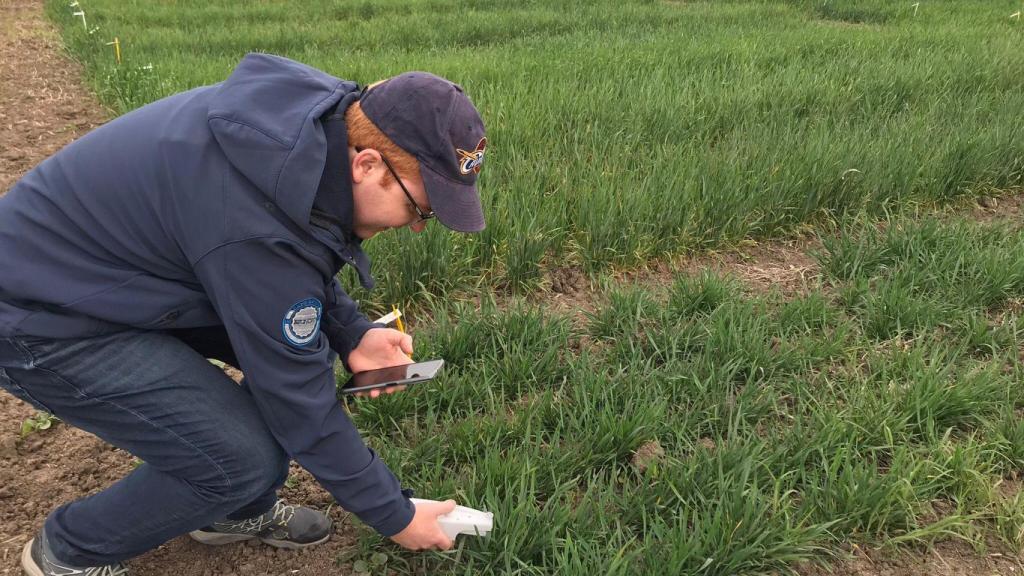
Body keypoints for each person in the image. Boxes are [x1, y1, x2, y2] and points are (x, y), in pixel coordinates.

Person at [0, 52, 488, 575]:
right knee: (243, 460)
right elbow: (300, 401)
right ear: (367, 165)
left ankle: (230, 510)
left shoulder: (316, 129)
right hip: (42, 316)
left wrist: (350, 333)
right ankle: (69, 552)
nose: (418, 226)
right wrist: (395, 514)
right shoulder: (251, 221)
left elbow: (300, 253)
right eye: (422, 208)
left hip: (120, 277)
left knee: (301, 356)